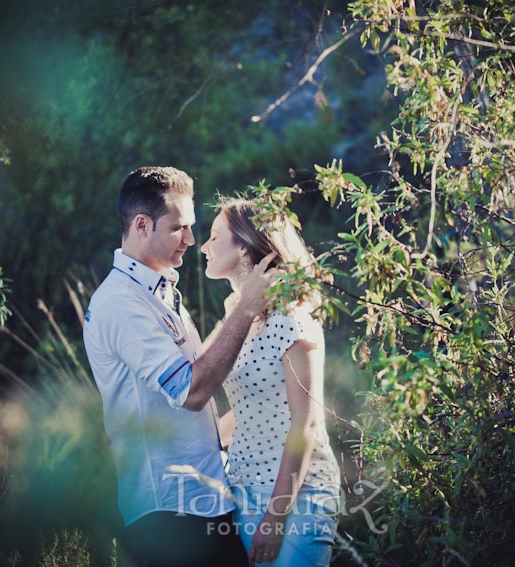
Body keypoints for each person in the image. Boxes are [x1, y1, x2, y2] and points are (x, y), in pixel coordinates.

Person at [82, 167, 278, 567]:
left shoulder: (157, 289)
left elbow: (197, 371)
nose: (191, 239)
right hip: (171, 511)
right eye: (179, 228)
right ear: (141, 225)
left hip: (203, 501)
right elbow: (191, 391)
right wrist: (246, 307)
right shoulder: (121, 302)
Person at [200, 197, 341, 567]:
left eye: (214, 237)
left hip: (298, 495)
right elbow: (248, 409)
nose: (203, 246)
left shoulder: (291, 314)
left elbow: (305, 421)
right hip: (244, 487)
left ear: (244, 247)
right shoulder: (237, 312)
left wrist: (276, 516)